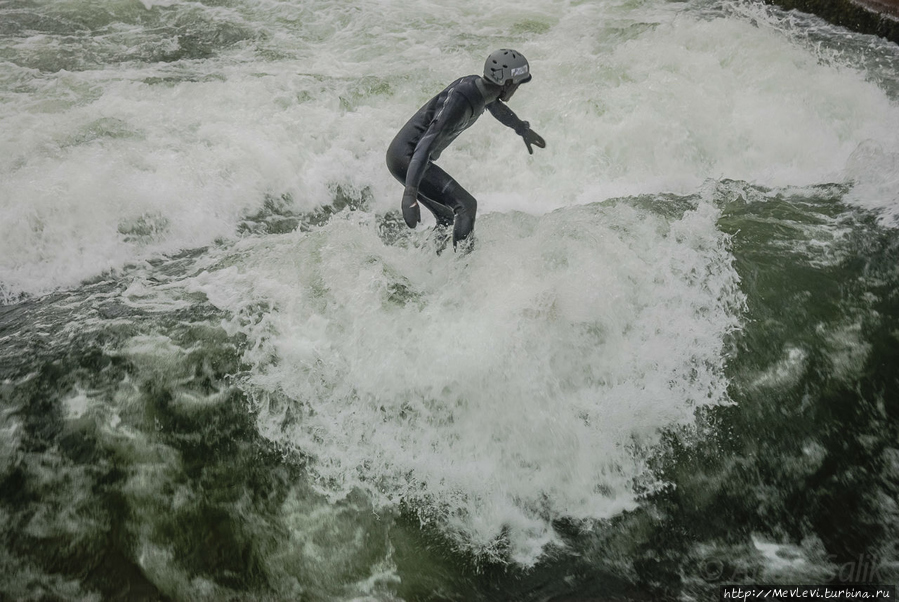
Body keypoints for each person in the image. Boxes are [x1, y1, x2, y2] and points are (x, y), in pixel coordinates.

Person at [386, 49, 546, 250]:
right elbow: (425, 145)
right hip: (408, 159)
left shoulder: (482, 90)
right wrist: (410, 193)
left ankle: (430, 265)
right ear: (507, 84)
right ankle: (463, 269)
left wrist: (521, 129)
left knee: (447, 217)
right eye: (518, 83)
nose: (517, 88)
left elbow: (495, 106)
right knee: (466, 206)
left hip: (409, 159)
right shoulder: (460, 100)